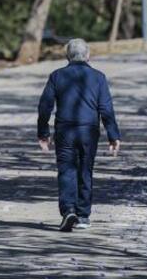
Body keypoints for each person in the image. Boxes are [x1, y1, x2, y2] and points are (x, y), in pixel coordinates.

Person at [37, 38, 121, 232]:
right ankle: (83, 215)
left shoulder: (56, 76)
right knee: (85, 169)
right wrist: (113, 135)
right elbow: (105, 108)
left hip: (64, 130)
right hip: (88, 131)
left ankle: (68, 211)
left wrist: (43, 132)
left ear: (67, 55)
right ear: (88, 55)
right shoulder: (99, 77)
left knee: (66, 170)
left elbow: (45, 106)